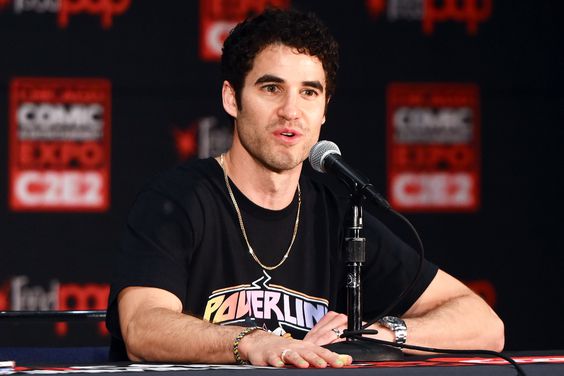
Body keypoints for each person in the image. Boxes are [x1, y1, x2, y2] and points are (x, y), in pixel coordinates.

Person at [106, 8, 504, 368]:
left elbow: (485, 325)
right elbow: (143, 328)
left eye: (309, 92)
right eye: (271, 88)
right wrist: (253, 342)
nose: (291, 110)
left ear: (325, 109)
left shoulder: (339, 215)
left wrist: (377, 336)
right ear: (232, 98)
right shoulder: (177, 199)